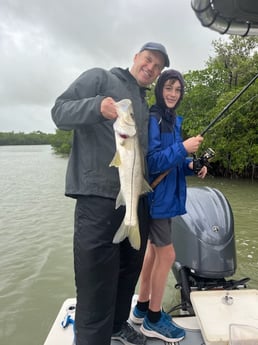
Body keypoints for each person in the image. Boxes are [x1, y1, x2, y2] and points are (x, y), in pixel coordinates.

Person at [51, 42, 170, 345]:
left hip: (135, 201)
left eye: (158, 67)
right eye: (148, 60)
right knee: (96, 288)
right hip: (97, 201)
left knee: (128, 274)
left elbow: (146, 155)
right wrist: (95, 107)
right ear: (136, 57)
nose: (151, 68)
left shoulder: (144, 104)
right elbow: (59, 112)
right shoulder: (100, 78)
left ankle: (118, 326)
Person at [130, 69, 207, 342]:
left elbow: (171, 160)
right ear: (160, 89)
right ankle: (153, 318)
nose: (173, 94)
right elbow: (150, 163)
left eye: (178, 89)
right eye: (168, 88)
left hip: (168, 196)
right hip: (157, 199)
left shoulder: (172, 120)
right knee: (167, 255)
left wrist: (190, 165)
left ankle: (141, 307)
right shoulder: (153, 119)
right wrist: (183, 148)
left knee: (153, 252)